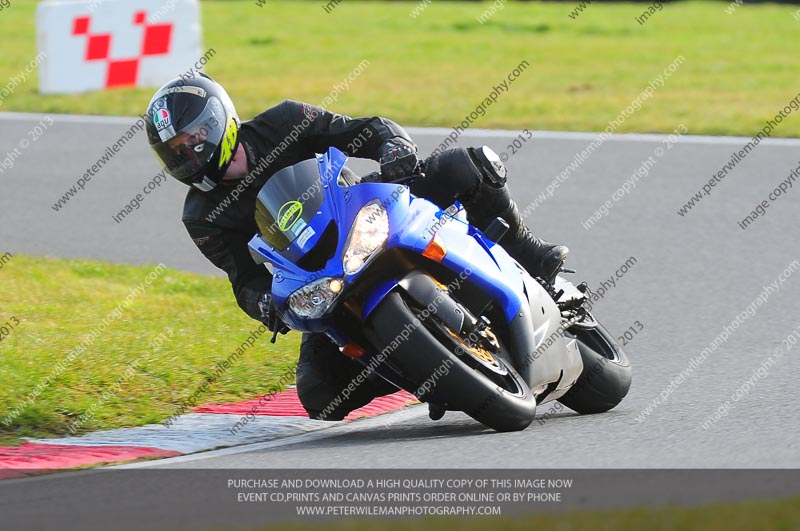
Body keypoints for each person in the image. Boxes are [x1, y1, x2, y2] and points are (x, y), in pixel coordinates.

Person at [145, 73, 568, 420]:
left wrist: (393, 147)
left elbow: (364, 130)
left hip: (365, 214)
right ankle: (422, 371)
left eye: (190, 140)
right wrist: (265, 305)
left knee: (463, 165)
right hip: (317, 278)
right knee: (319, 395)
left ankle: (531, 252)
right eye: (174, 152)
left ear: (218, 122)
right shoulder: (201, 216)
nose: (186, 156)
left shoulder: (284, 120)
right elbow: (244, 279)